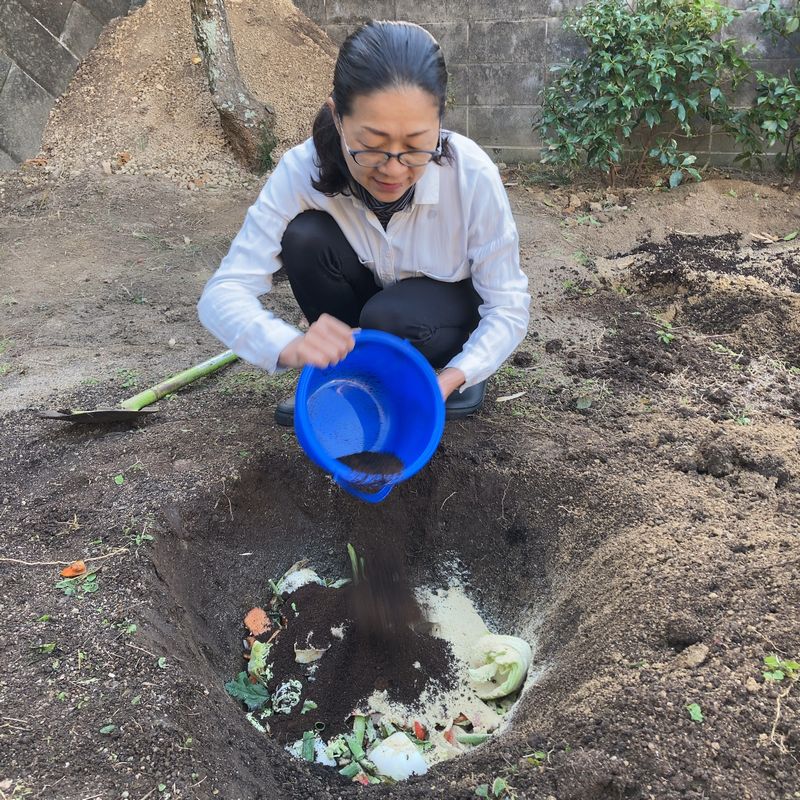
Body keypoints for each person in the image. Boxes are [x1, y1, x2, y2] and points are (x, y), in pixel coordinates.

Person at [198, 20, 530, 426]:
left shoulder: (470, 174)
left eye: (415, 146)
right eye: (371, 146)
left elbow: (508, 307)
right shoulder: (302, 170)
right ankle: (349, 376)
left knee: (387, 317)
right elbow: (223, 292)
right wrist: (292, 345)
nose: (393, 168)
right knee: (305, 237)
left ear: (440, 123)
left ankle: (438, 369)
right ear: (337, 117)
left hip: (444, 311)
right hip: (373, 300)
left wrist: (455, 376)